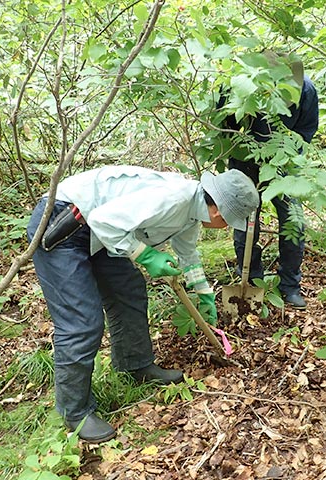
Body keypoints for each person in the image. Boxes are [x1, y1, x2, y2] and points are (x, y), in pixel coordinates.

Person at [26, 165, 259, 443]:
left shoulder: (192, 211)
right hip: (64, 222)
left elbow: (187, 252)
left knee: (130, 290)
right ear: (219, 211)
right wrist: (146, 256)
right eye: (228, 222)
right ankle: (74, 412)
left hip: (101, 233)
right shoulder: (174, 198)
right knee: (82, 322)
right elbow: (103, 219)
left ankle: (135, 365)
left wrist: (203, 290)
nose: (224, 228)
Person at [219, 53, 319, 309]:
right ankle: (252, 282)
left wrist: (283, 154)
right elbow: (224, 125)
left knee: (293, 222)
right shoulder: (240, 86)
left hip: (283, 162)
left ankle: (290, 286)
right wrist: (244, 149)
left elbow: (305, 131)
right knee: (245, 224)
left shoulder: (306, 89)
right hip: (244, 160)